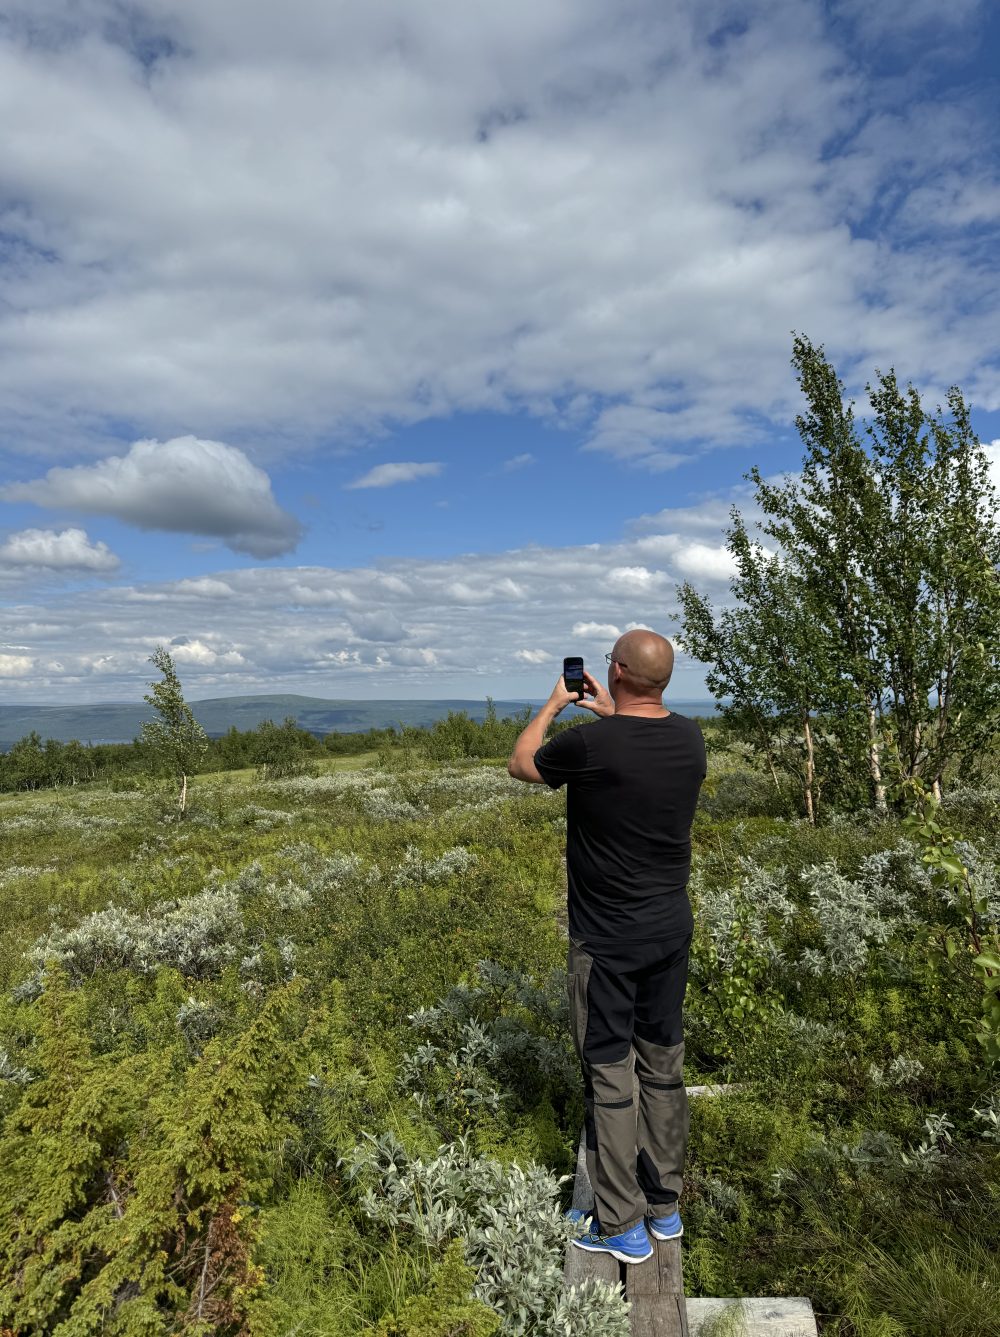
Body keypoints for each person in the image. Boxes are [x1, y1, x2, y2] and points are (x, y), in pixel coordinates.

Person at [507, 629, 706, 1264]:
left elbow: (522, 763)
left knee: (610, 1074)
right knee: (663, 1065)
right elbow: (637, 738)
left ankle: (620, 1224)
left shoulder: (590, 744)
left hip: (607, 941)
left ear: (615, 671)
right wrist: (610, 712)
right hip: (670, 931)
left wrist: (552, 706)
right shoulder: (689, 737)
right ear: (663, 680)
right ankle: (664, 1206)